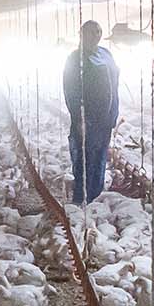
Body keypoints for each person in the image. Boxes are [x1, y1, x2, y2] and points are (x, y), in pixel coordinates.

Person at [62, 19, 120, 204]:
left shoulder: (106, 53)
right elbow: (70, 89)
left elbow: (114, 82)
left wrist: (114, 112)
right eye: (90, 32)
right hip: (88, 117)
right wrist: (79, 118)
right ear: (81, 34)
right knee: (85, 157)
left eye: (98, 31)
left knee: (101, 155)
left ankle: (95, 195)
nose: (95, 35)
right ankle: (81, 197)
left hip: (106, 117)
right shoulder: (75, 58)